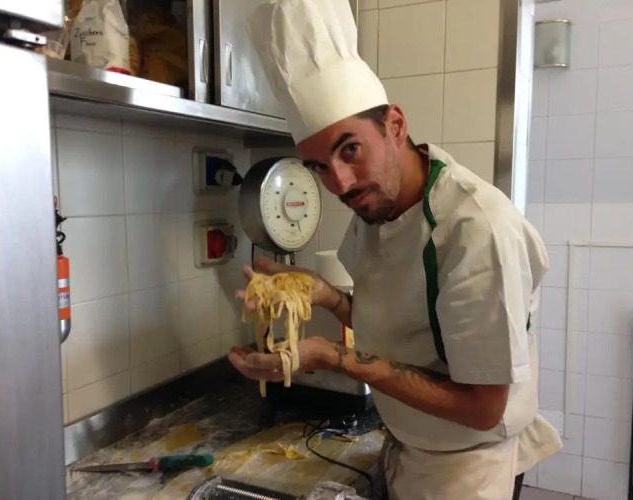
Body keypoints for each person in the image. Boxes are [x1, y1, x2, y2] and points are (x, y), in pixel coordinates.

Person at [228, 0, 563, 498]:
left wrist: (336, 358)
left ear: (396, 125)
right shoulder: (376, 210)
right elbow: (399, 326)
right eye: (319, 167)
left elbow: (482, 406)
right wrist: (326, 296)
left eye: (350, 149)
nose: (340, 183)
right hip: (408, 447)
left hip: (467, 469)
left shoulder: (476, 230)